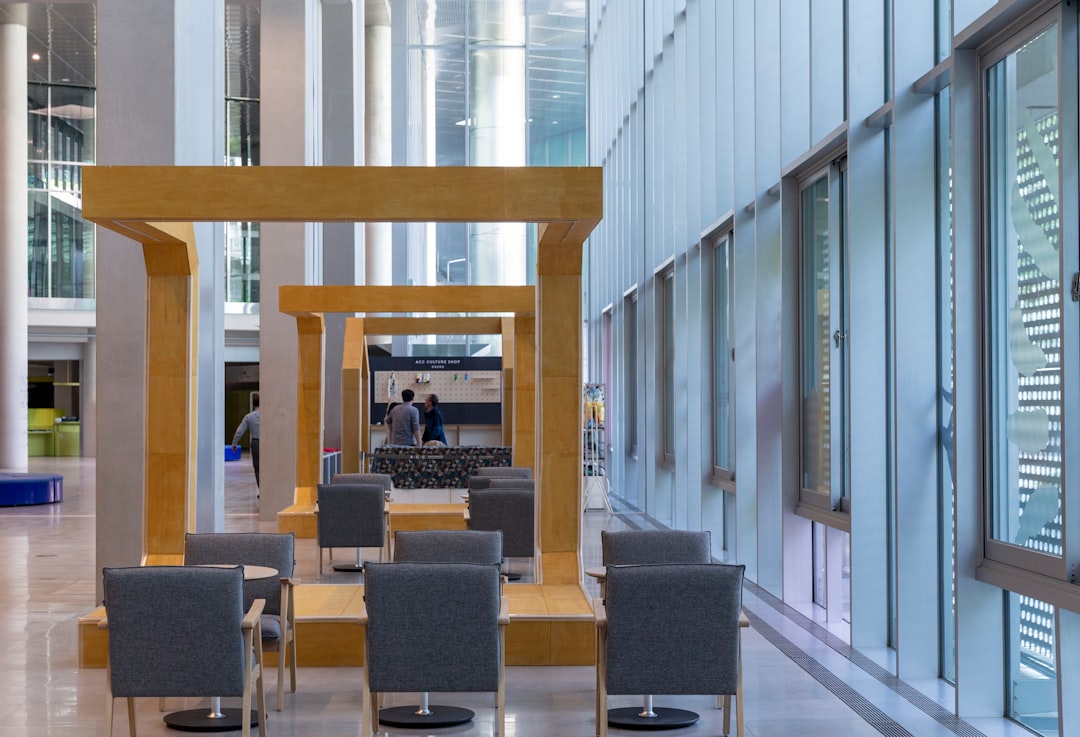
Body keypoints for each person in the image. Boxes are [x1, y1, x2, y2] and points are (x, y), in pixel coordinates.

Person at [231, 394, 261, 490]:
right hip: (269, 443)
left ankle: (262, 490)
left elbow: (239, 431)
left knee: (257, 468)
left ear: (253, 404)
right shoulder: (268, 416)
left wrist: (234, 443)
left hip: (256, 443)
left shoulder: (249, 417)